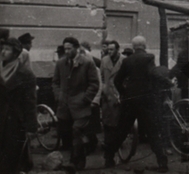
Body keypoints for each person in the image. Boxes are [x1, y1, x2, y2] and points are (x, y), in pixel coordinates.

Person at [114, 36, 168, 172]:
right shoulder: (149, 58)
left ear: (133, 47)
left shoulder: (127, 60)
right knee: (153, 131)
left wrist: (124, 92)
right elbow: (153, 74)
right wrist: (166, 84)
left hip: (130, 100)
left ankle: (108, 157)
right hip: (146, 100)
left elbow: (117, 80)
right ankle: (162, 163)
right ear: (144, 46)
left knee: (122, 129)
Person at [52, 36, 99, 170]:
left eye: (69, 48)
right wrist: (58, 96)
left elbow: (94, 83)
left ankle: (74, 161)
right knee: (67, 133)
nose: (66, 51)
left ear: (77, 48)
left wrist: (85, 98)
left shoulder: (87, 63)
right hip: (64, 105)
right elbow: (55, 82)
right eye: (65, 48)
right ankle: (79, 158)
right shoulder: (61, 63)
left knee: (77, 130)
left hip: (81, 106)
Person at [0, 37, 37, 174]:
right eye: (2, 49)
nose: (3, 52)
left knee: (11, 160)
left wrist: (31, 127)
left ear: (15, 53)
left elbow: (30, 103)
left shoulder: (26, 75)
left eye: (7, 49)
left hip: (15, 123)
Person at [100, 40, 124, 168]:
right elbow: (102, 78)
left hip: (119, 96)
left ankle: (112, 153)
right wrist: (104, 90)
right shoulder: (104, 60)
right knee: (107, 125)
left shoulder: (124, 61)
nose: (109, 52)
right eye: (108, 49)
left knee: (117, 126)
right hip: (107, 97)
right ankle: (108, 156)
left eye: (111, 49)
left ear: (118, 49)